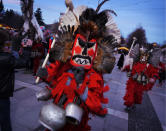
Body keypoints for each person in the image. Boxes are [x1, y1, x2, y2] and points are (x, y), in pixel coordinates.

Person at [36, 0, 121, 131]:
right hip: (54, 116)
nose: (84, 50)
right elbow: (54, 84)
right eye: (81, 43)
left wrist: (81, 86)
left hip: (75, 123)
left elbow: (97, 107)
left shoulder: (94, 75)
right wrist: (45, 75)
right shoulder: (65, 64)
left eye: (90, 43)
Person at [123, 47, 159, 112]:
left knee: (137, 95)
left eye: (145, 56)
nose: (143, 57)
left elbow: (155, 72)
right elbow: (129, 67)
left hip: (140, 84)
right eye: (142, 55)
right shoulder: (135, 62)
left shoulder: (149, 65)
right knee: (130, 93)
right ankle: (128, 105)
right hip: (132, 81)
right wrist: (125, 68)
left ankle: (133, 104)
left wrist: (153, 78)